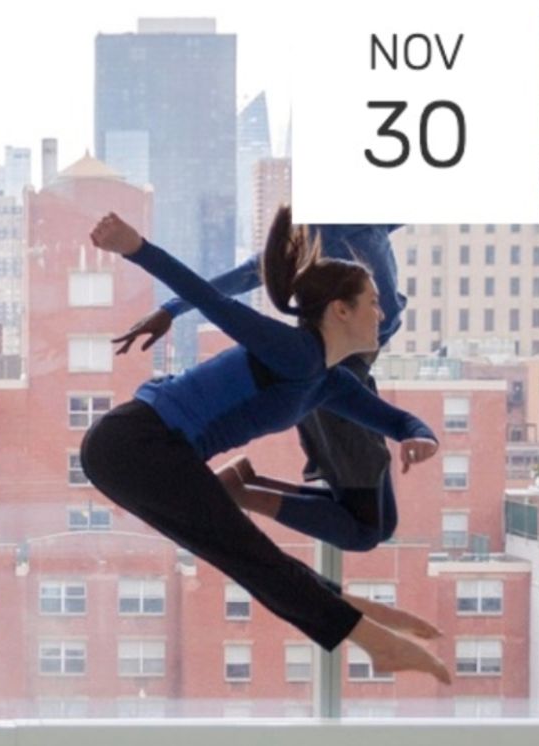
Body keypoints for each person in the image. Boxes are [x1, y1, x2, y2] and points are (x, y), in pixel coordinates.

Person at [116, 162, 539, 550]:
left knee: (375, 524)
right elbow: (229, 287)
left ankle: (241, 487)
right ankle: (238, 492)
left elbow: (447, 195)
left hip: (346, 370)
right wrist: (169, 308)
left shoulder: (366, 218)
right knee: (366, 527)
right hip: (326, 368)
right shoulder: (316, 234)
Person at [81, 212, 450, 683]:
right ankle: (374, 639)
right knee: (249, 555)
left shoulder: (327, 381)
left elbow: (396, 420)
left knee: (246, 554)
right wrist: (136, 248)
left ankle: (356, 614)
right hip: (136, 444)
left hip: (150, 451)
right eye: (374, 302)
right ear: (340, 310)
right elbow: (213, 300)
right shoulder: (293, 351)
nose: (385, 312)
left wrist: (422, 437)